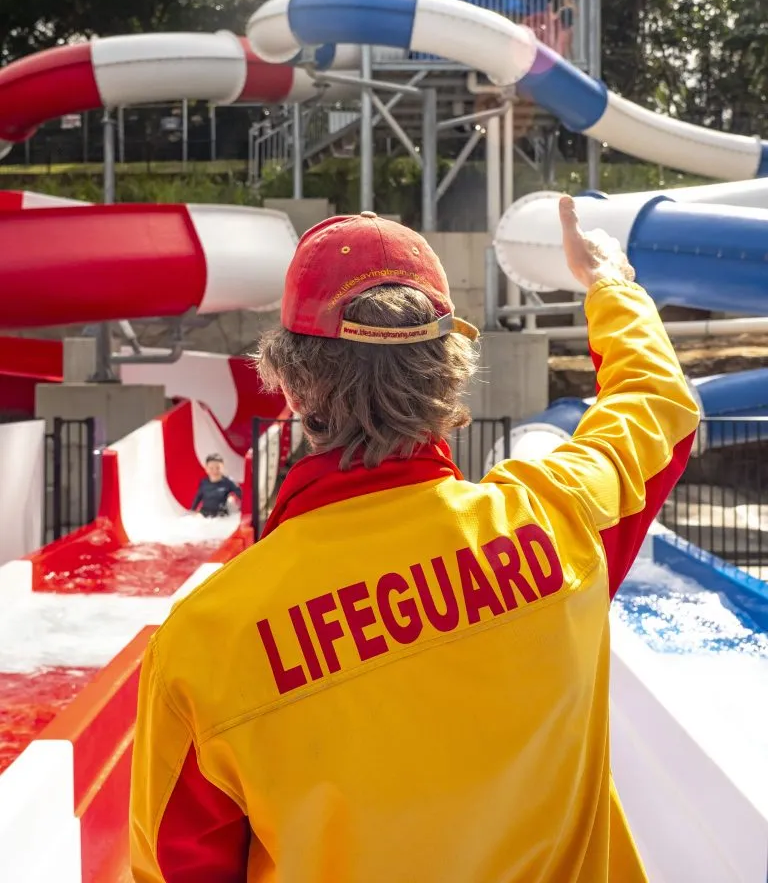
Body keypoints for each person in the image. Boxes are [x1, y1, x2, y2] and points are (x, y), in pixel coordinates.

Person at [130, 201, 699, 883]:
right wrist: (611, 283)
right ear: (448, 375)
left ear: (293, 384)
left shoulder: (206, 643)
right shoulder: (560, 521)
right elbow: (659, 405)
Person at [189, 453, 242, 518]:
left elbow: (242, 495)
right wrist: (192, 510)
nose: (215, 471)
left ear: (223, 467)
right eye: (211, 468)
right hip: (205, 513)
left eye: (218, 468)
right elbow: (198, 497)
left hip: (221, 515)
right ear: (206, 469)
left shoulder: (228, 482)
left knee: (230, 501)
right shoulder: (204, 483)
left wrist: (242, 510)